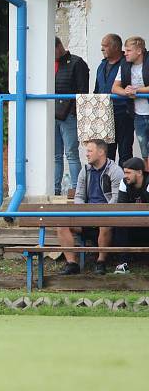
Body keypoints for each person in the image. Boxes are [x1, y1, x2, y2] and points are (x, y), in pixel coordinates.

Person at [57, 139, 122, 276]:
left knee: (105, 224)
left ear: (101, 152)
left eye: (89, 151)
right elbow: (79, 196)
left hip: (107, 217)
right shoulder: (85, 171)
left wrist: (102, 214)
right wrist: (82, 213)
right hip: (86, 217)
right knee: (61, 225)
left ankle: (101, 262)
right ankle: (72, 264)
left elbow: (116, 199)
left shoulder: (115, 171)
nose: (86, 154)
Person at [54, 37, 90, 195]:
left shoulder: (76, 62)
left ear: (59, 46)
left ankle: (77, 190)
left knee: (71, 153)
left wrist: (75, 112)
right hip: (51, 114)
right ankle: (54, 189)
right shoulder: (48, 63)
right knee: (55, 155)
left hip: (69, 115)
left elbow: (82, 90)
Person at [95, 34, 132, 165]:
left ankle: (124, 185)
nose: (101, 49)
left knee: (125, 152)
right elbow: (97, 91)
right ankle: (108, 185)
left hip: (123, 114)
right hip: (105, 115)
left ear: (115, 47)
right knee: (106, 154)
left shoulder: (127, 64)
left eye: (105, 46)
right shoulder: (101, 65)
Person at [112, 36, 149, 166]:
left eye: (128, 50)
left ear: (139, 51)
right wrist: (126, 92)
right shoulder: (125, 65)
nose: (125, 53)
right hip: (138, 115)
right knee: (145, 153)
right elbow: (115, 88)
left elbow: (137, 90)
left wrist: (137, 90)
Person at [114, 156, 149, 274]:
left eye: (128, 172)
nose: (125, 176)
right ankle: (122, 264)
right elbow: (122, 207)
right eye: (125, 172)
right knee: (120, 225)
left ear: (139, 172)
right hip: (132, 224)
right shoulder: (124, 183)